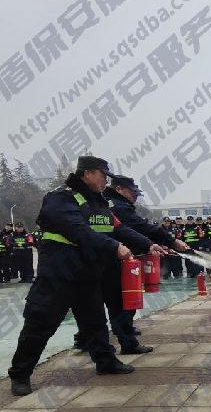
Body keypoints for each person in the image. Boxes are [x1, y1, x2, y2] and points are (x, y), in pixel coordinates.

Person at [8, 156, 148, 396]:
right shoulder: (61, 198)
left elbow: (118, 228)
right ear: (88, 173)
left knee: (95, 322)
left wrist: (148, 244)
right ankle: (20, 374)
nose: (106, 181)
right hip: (59, 274)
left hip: (87, 274)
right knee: (40, 323)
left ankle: (105, 362)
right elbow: (77, 230)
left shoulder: (99, 202)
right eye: (103, 176)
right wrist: (114, 247)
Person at [101, 175, 188, 354]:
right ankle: (127, 343)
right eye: (131, 192)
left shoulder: (106, 203)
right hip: (114, 259)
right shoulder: (119, 207)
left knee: (96, 304)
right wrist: (170, 241)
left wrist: (152, 244)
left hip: (106, 257)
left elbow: (129, 231)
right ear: (118, 189)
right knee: (122, 301)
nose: (135, 196)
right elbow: (139, 227)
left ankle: (90, 338)